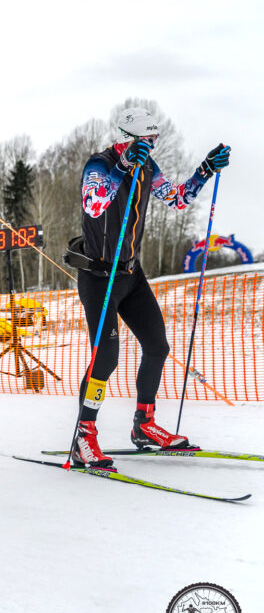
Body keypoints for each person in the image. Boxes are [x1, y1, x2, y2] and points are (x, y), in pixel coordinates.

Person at [68, 106, 230, 469]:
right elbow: (94, 205)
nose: (153, 145)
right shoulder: (99, 164)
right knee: (106, 358)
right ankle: (84, 436)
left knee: (157, 346)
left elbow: (177, 199)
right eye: (148, 139)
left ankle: (144, 425)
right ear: (128, 138)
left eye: (155, 139)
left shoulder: (147, 167)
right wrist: (123, 167)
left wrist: (205, 170)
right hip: (99, 277)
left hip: (131, 275)